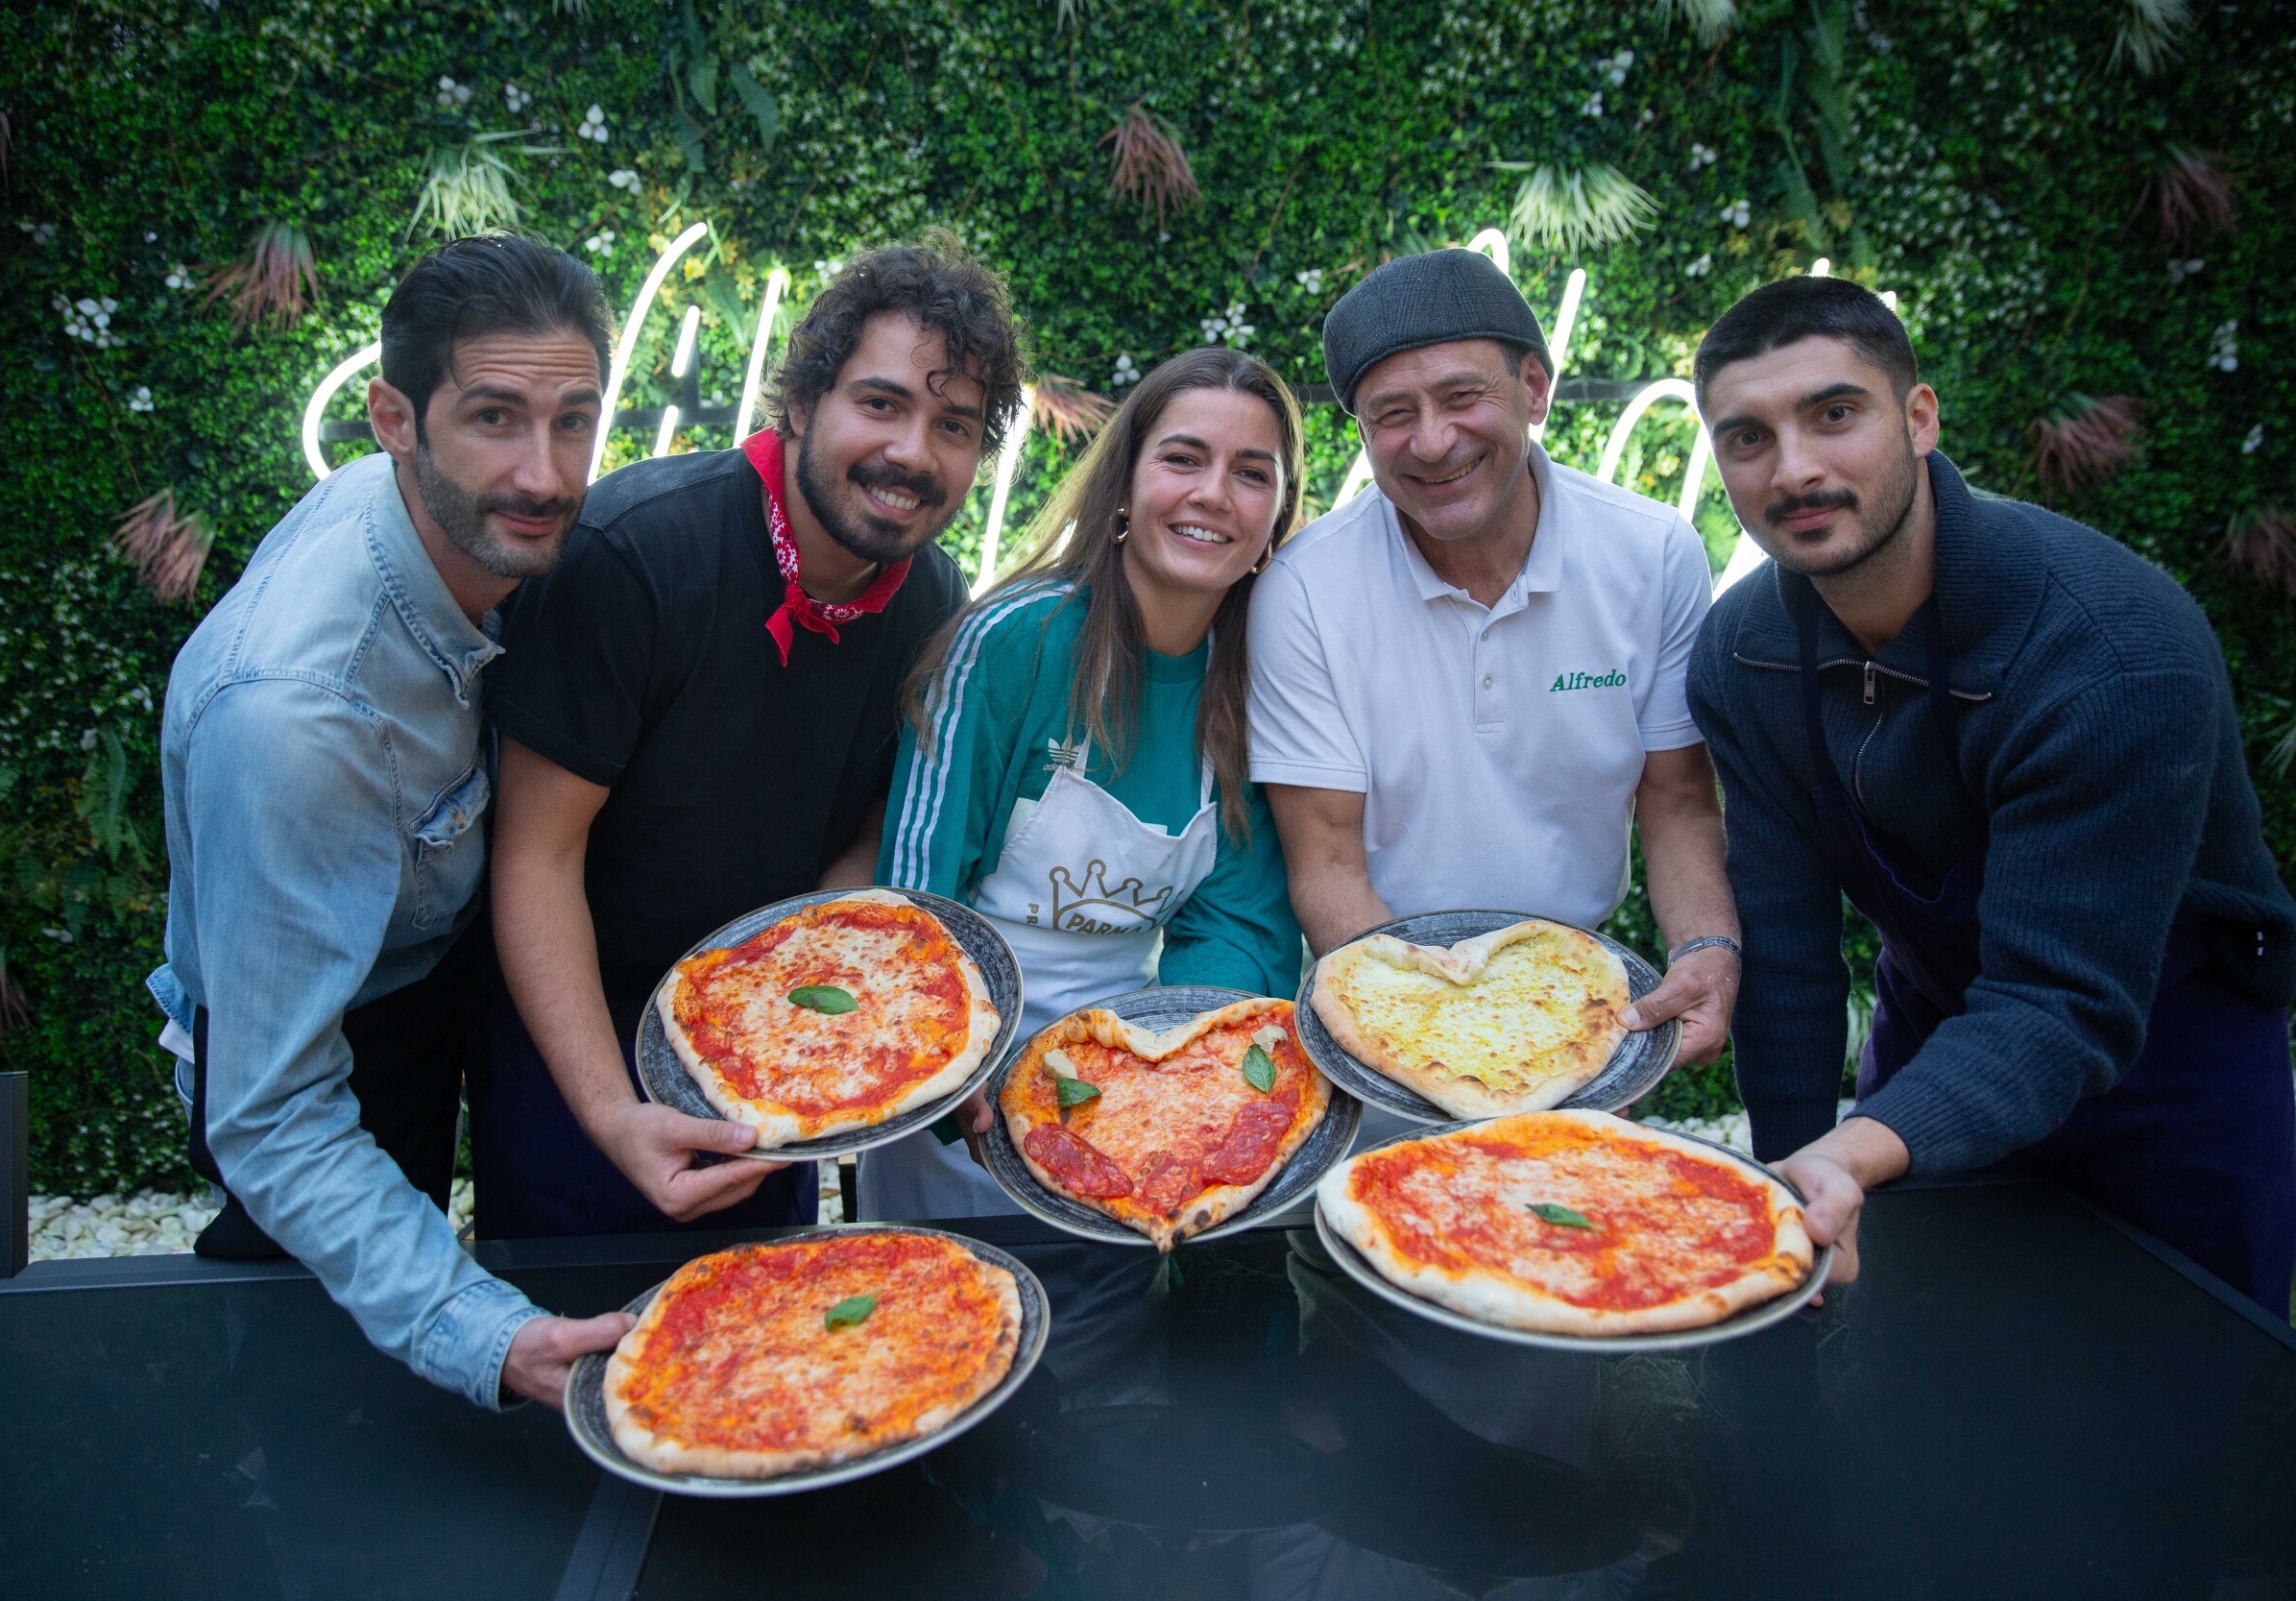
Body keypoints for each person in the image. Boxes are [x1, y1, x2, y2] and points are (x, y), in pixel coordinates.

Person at [1686, 274, 2296, 1307]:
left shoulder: (2111, 656)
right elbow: (1786, 952)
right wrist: (1797, 1194)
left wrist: (1855, 1149)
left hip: (2163, 1060)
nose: (1793, 469)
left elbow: (2060, 999)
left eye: (1834, 415)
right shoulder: (1744, 652)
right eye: (1746, 438)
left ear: (1918, 419)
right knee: (1909, 1366)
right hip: (1929, 1031)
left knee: (2176, 1418)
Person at [145, 234, 636, 1408]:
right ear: (394, 419)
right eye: (495, 418)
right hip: (343, 1032)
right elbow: (269, 1114)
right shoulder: (295, 722)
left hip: (445, 944)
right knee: (332, 1391)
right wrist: (480, 1334)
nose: (546, 473)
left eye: (574, 419)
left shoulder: (449, 522)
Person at [480, 236, 1025, 1238]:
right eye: (881, 402)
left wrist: (853, 1027)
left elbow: (860, 828)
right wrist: (611, 1109)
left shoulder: (934, 597)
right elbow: (533, 857)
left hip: (779, 1047)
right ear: (802, 401)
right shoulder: (634, 552)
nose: (912, 451)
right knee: (581, 1355)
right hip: (578, 1045)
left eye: (953, 424)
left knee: (765, 1354)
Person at [1247, 248, 1742, 1092]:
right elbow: (1326, 864)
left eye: (1462, 396)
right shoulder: (1303, 588)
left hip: (1583, 998)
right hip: (1385, 1002)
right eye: (1391, 413)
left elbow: (1678, 799)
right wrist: (1449, 1043)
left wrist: (1705, 945)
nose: (1433, 441)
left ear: (1535, 387)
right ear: (1362, 433)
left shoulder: (1651, 554)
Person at [862, 348, 1308, 1220]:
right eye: (1183, 458)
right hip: (960, 1093)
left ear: (1277, 513)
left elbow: (1241, 926)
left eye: (1251, 473)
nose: (1214, 493)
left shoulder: (1263, 683)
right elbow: (917, 896)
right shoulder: (1009, 644)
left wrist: (1178, 1087)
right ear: (1124, 485)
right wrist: (963, 1076)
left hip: (1141, 1094)